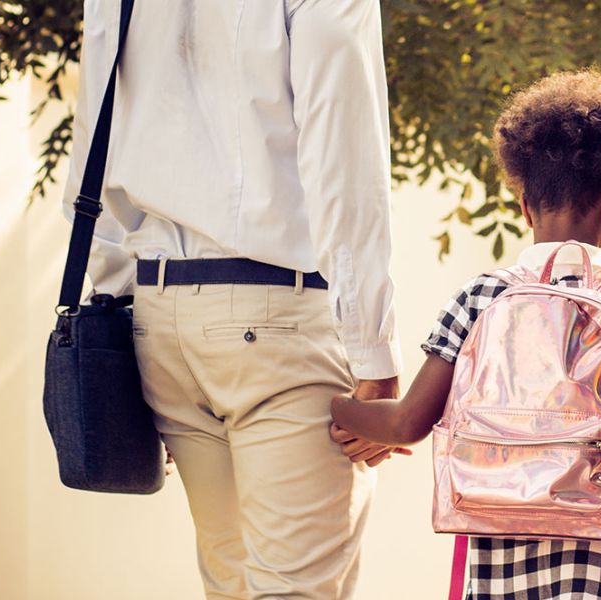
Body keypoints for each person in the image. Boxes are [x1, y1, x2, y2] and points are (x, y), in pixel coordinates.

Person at [328, 70, 601, 600]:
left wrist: (327, 406)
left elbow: (405, 423)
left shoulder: (481, 297)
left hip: (502, 575)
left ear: (523, 208)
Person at [61, 1, 407, 598]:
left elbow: (97, 138)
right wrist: (374, 356)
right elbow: (344, 163)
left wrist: (117, 320)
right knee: (294, 588)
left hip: (158, 322)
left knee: (231, 583)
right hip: (277, 325)